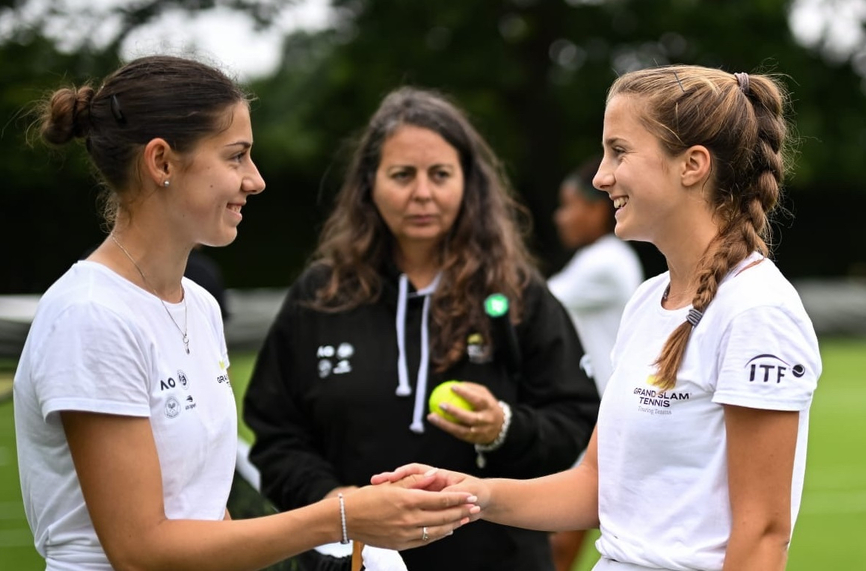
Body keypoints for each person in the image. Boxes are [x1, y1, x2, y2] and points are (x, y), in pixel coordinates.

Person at [13, 55, 477, 571]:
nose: (255, 180)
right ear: (161, 162)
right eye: (236, 157)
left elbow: (207, 518)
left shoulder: (201, 305)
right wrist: (343, 518)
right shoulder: (90, 316)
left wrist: (334, 562)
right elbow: (141, 552)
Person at [373, 64, 822, 571]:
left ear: (692, 165)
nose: (600, 176)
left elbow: (763, 536)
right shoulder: (648, 300)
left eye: (620, 151)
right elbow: (596, 485)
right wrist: (471, 494)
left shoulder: (756, 311)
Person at [242, 86, 601, 571]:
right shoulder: (322, 294)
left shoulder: (516, 292)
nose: (422, 193)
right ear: (370, 183)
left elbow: (575, 419)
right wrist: (337, 505)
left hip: (497, 560)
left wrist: (504, 428)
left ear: (468, 183)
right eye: (402, 175)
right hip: (354, 560)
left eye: (440, 174)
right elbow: (276, 432)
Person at [546, 156, 643, 570]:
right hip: (598, 414)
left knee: (556, 546)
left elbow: (531, 304)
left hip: (598, 416)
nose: (559, 217)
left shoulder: (605, 261)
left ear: (597, 208)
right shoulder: (598, 259)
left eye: (569, 205)